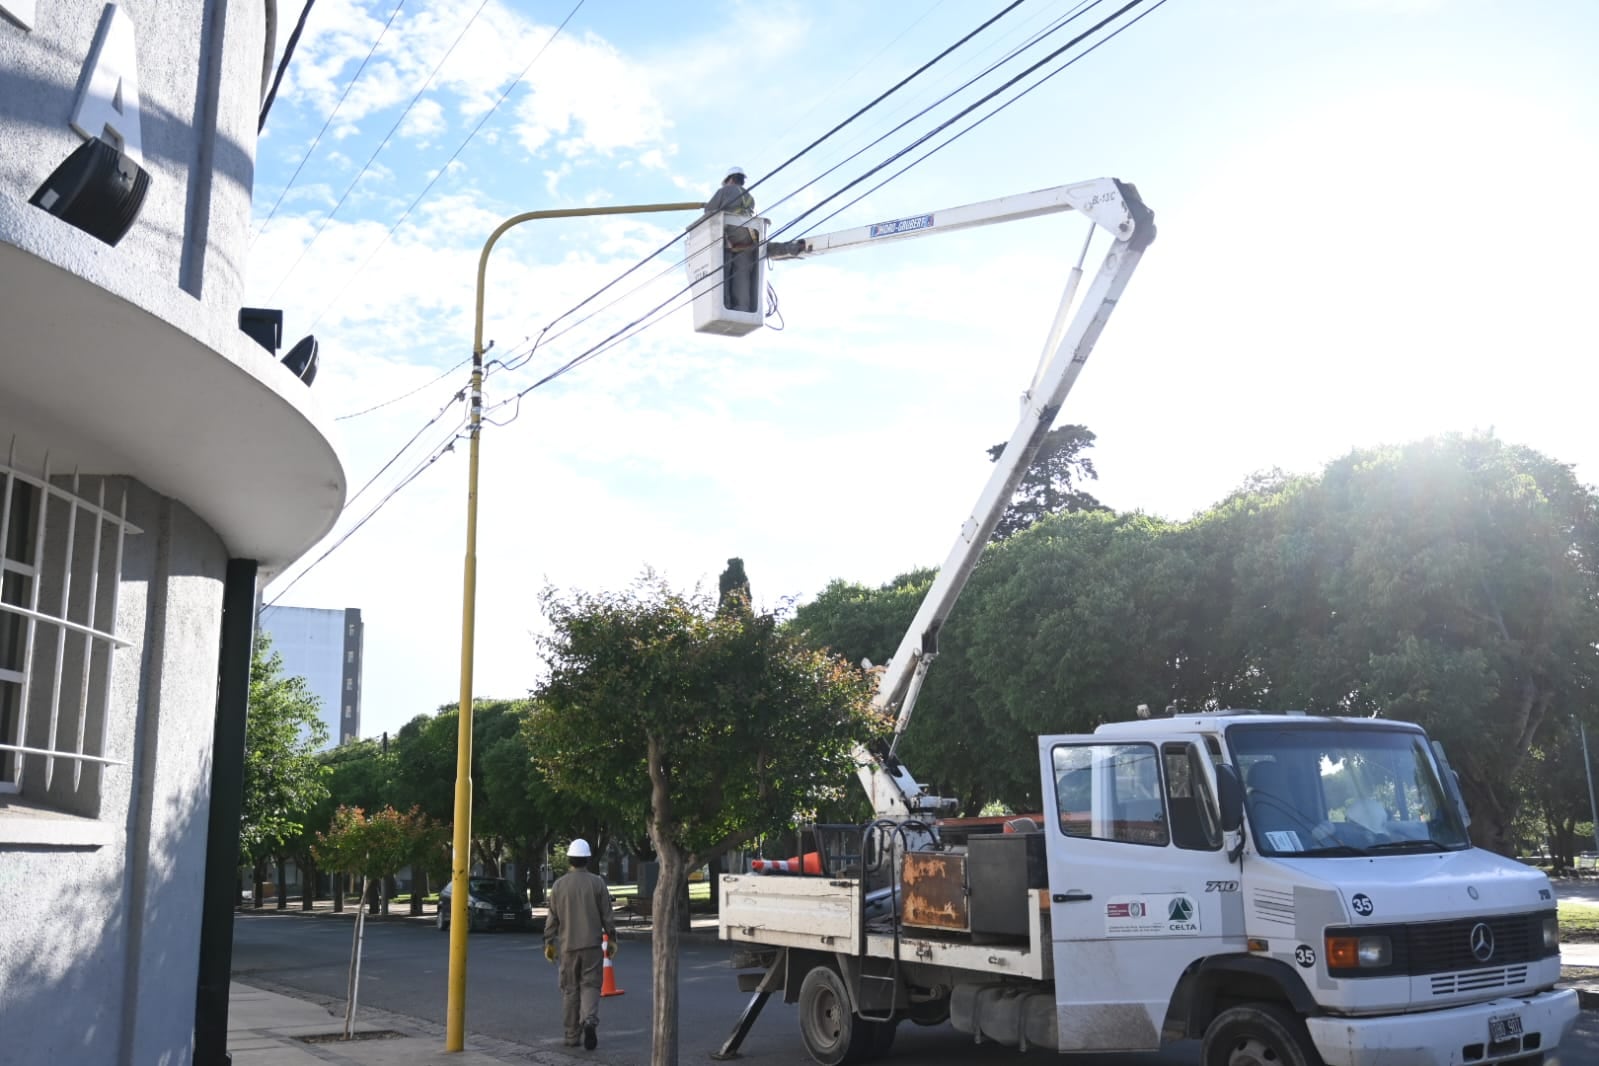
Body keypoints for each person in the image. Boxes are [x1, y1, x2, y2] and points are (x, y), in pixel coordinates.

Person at [543, 838, 618, 1050]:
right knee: (591, 986)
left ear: (569, 859)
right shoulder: (598, 883)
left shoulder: (558, 885)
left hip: (568, 947)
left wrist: (549, 942)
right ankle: (590, 1021)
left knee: (570, 990)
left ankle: (571, 1035)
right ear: (587, 859)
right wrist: (611, 938)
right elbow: (607, 916)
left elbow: (552, 920)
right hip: (592, 946)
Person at [702, 165, 759, 313]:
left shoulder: (725, 191)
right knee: (742, 273)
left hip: (733, 233)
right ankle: (742, 307)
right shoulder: (750, 197)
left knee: (724, 267)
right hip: (750, 237)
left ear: (730, 179)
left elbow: (710, 212)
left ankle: (726, 304)